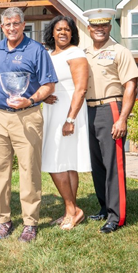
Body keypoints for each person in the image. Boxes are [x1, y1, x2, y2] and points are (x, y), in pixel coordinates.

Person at [0, 7, 57, 242]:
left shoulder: (36, 50)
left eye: (16, 23)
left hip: (26, 115)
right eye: (7, 24)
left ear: (23, 24)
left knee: (29, 169)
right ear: (2, 26)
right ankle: (2, 220)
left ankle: (30, 223)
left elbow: (49, 86)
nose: (11, 28)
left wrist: (30, 99)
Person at [83, 8, 138, 234]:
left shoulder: (120, 51)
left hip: (111, 108)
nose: (99, 29)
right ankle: (105, 207)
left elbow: (131, 86)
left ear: (109, 27)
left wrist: (123, 118)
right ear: (89, 29)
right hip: (89, 110)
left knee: (113, 164)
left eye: (104, 25)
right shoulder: (83, 52)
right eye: (95, 25)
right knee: (97, 164)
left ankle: (117, 216)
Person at [41, 15, 91, 230]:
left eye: (67, 29)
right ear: (52, 32)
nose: (62, 32)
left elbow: (80, 88)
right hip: (52, 109)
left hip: (69, 110)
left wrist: (70, 119)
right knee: (65, 163)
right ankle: (70, 210)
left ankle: (73, 210)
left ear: (73, 33)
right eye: (58, 29)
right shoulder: (48, 55)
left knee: (56, 161)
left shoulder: (76, 53)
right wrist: (43, 96)